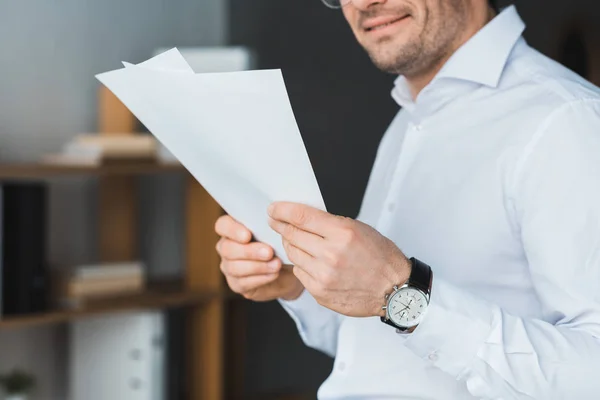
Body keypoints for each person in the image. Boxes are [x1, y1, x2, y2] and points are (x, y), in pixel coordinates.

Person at [215, 0, 600, 398]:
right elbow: (379, 347)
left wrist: (401, 292)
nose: (362, 3)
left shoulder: (566, 122)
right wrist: (296, 282)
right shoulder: (413, 118)